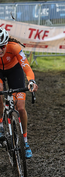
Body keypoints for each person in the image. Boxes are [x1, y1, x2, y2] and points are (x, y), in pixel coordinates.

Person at [0, 28, 38, 159]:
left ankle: (25, 143)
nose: (0, 50)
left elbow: (27, 67)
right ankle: (0, 125)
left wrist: (31, 81)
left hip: (14, 70)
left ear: (7, 43)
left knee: (20, 107)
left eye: (2, 46)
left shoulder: (15, 47)